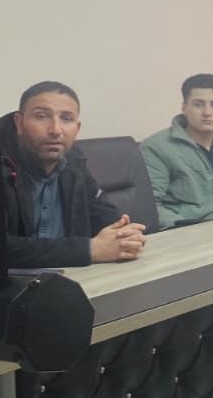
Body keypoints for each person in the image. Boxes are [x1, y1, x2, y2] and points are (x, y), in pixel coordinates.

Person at [0, 81, 146, 267]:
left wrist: (123, 234)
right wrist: (89, 250)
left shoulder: (73, 161)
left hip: (69, 275)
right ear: (19, 123)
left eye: (66, 118)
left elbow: (98, 209)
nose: (55, 130)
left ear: (77, 128)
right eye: (41, 116)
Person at [140, 74, 213, 229]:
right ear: (184, 107)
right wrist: (191, 228)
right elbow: (151, 205)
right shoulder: (156, 147)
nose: (207, 112)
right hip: (186, 232)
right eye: (198, 104)